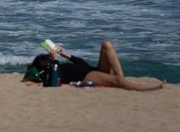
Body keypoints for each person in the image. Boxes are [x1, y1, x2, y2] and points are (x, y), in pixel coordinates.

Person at [25, 39, 163, 91]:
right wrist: (54, 60)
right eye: (46, 59)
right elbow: (53, 83)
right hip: (88, 76)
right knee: (117, 81)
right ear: (45, 65)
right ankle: (142, 88)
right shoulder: (53, 71)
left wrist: (66, 55)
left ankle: (122, 78)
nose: (48, 58)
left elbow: (83, 64)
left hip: (92, 69)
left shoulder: (59, 65)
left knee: (106, 44)